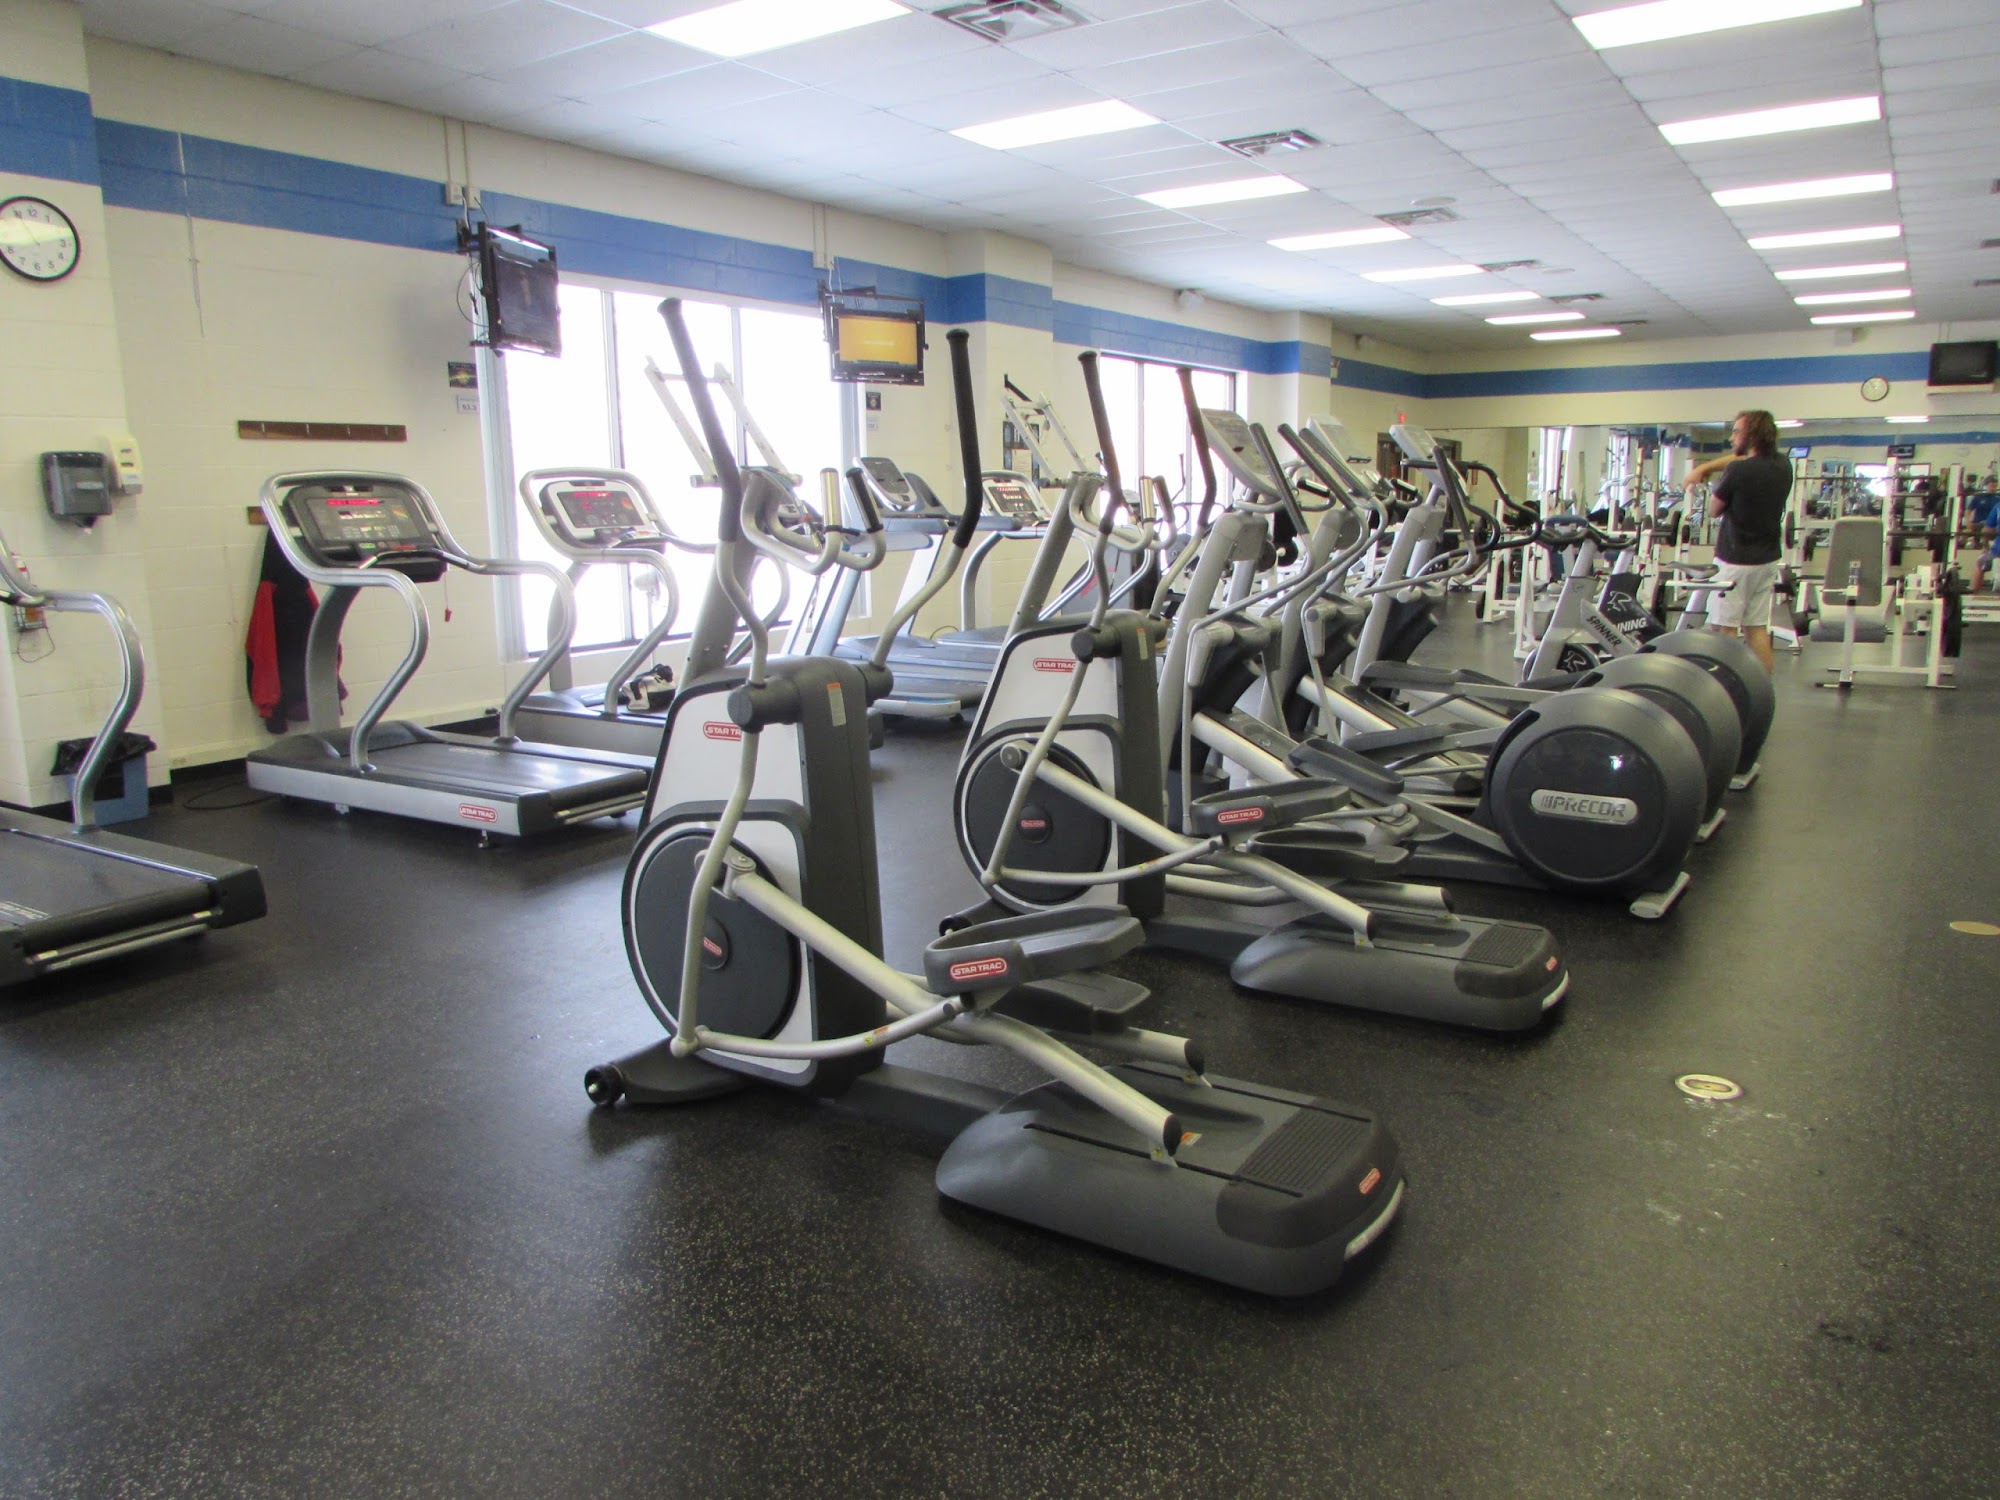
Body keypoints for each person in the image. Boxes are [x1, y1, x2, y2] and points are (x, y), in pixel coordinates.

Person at [1682, 410, 1788, 671]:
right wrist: (1705, 468)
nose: (1732, 437)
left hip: (1735, 561)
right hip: (1766, 560)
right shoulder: (1783, 464)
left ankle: (1728, 686)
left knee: (1724, 630)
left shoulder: (1738, 470)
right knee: (1756, 629)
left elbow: (1714, 510)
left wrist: (1708, 477)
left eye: (1737, 431)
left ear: (1751, 435)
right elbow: (1742, 459)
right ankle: (1763, 686)